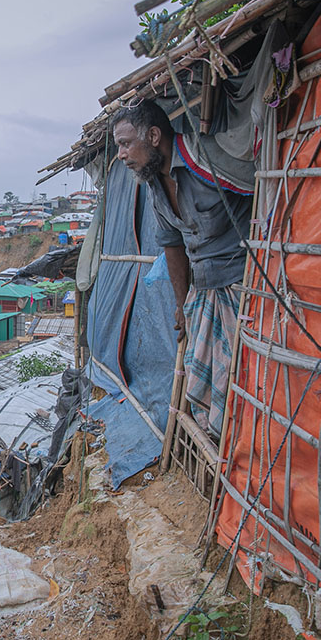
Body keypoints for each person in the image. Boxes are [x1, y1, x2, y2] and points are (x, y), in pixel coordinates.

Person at [112, 99, 253, 440]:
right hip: (205, 289)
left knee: (245, 377)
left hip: (245, 284)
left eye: (126, 143)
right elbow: (171, 243)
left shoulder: (206, 159)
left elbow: (260, 187)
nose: (121, 155)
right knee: (207, 378)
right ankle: (225, 445)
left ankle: (244, 445)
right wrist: (181, 303)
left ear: (154, 136)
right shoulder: (154, 185)